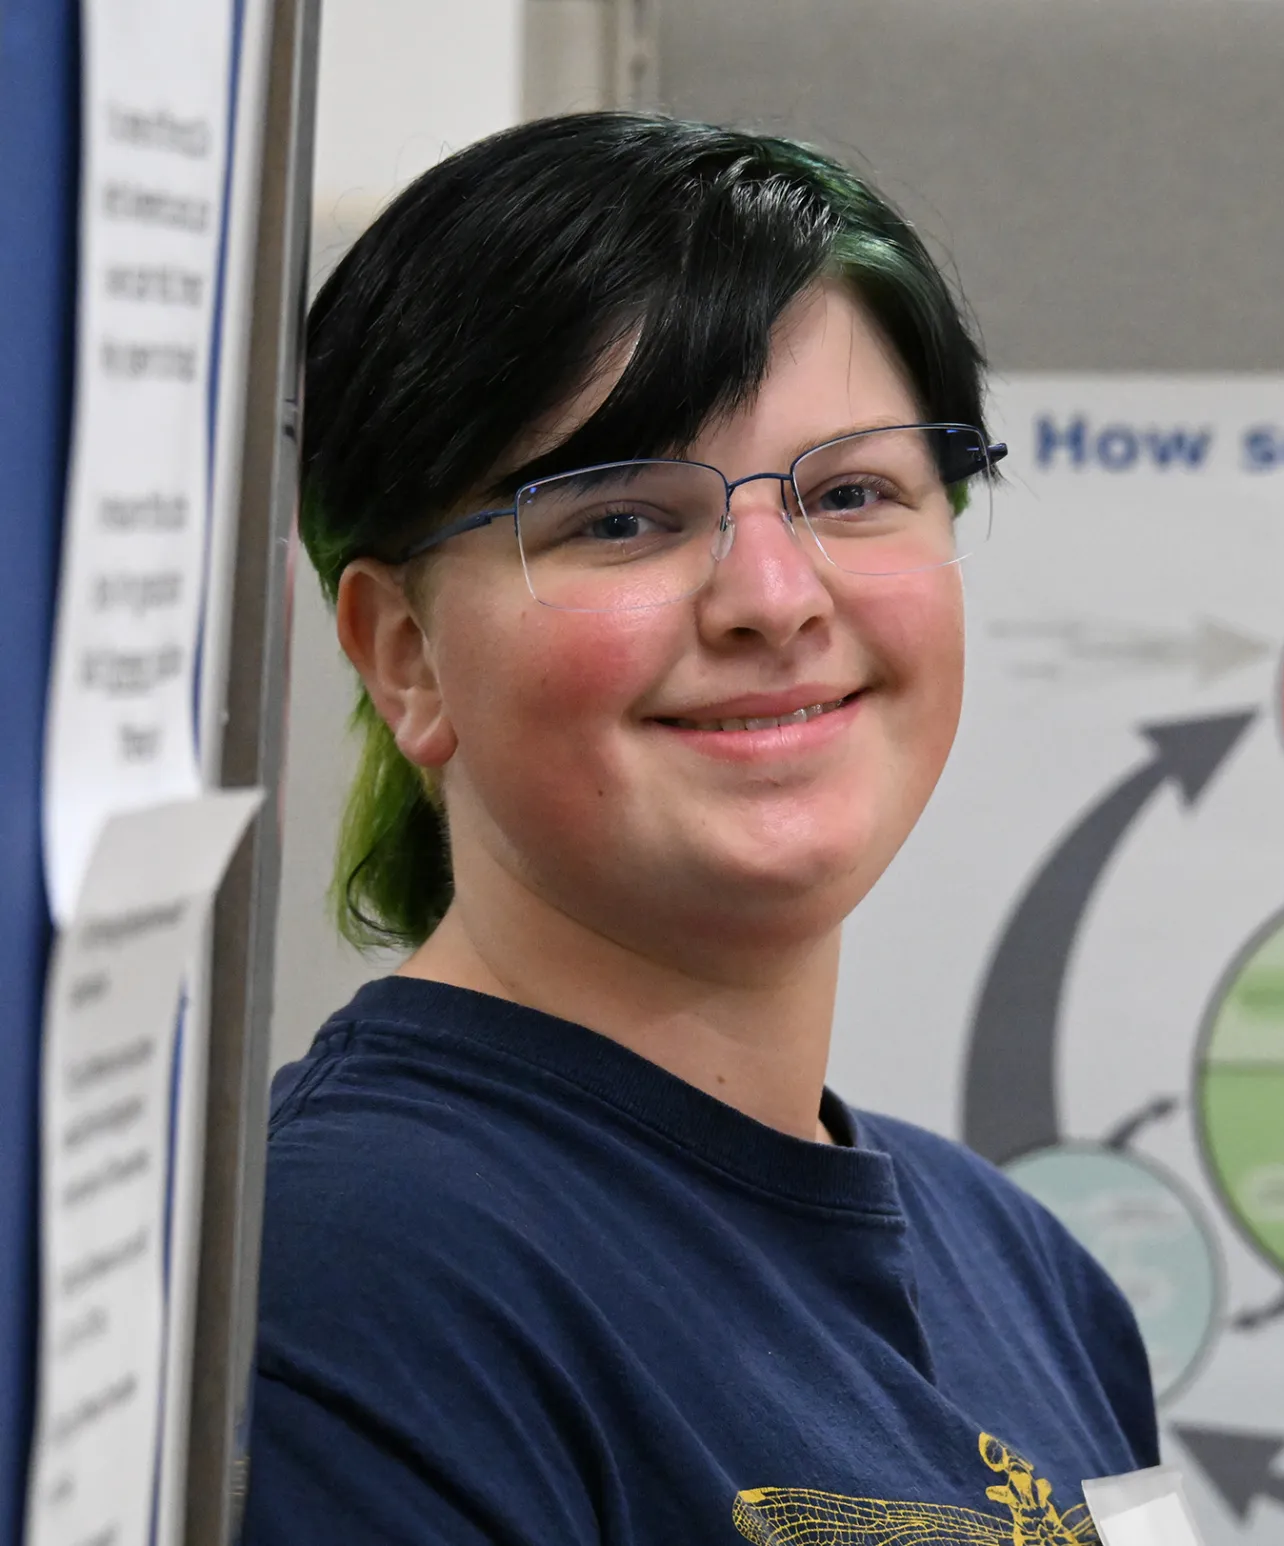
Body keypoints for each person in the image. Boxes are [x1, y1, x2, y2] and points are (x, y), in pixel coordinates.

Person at [243, 114, 1157, 1544]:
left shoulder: (1034, 1275)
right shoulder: (347, 1276)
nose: (774, 597)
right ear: (405, 655)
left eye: (854, 492)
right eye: (620, 520)